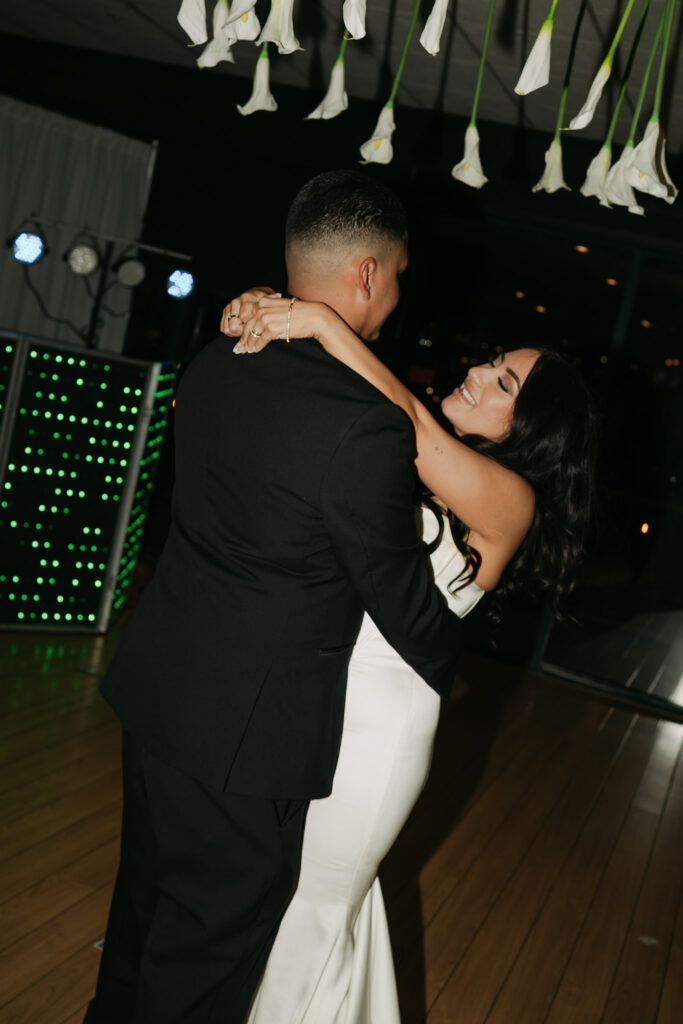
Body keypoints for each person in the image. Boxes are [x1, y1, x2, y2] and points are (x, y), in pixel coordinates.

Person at [83, 171, 465, 1024]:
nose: (397, 293)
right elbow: (404, 605)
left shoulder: (219, 359)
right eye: (398, 274)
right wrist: (454, 657)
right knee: (207, 954)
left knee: (142, 916)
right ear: (366, 274)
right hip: (248, 736)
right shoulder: (363, 422)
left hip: (160, 690)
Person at [220, 293, 596, 1023]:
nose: (478, 376)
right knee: (282, 897)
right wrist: (257, 319)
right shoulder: (414, 458)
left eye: (503, 385)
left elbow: (409, 418)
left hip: (376, 730)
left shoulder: (509, 498)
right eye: (490, 363)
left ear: (531, 432)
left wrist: (325, 323)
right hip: (311, 696)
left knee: (319, 910)